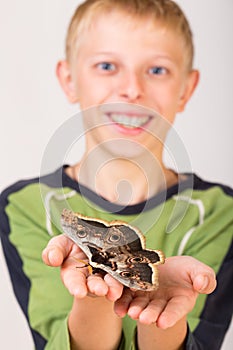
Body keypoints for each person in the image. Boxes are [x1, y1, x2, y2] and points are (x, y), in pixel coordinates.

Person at [0, 0, 232, 349]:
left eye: (156, 70)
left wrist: (163, 309)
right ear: (69, 80)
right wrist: (95, 294)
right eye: (107, 66)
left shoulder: (220, 213)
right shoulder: (25, 206)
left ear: (186, 88)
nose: (132, 89)